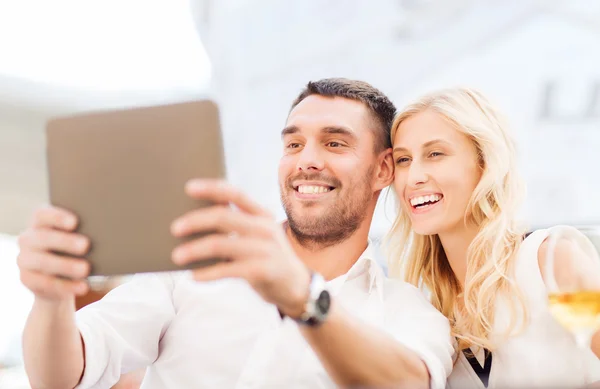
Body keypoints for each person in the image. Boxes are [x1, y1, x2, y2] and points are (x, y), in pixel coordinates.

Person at [17, 78, 454, 389]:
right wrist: (51, 300)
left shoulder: (407, 312)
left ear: (382, 169)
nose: (307, 161)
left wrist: (302, 298)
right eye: (293, 144)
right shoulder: (188, 272)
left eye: (335, 143)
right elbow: (59, 377)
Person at [387, 86, 600, 388]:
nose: (414, 176)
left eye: (435, 154)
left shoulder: (550, 260)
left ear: (484, 163)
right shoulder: (429, 309)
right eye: (403, 160)